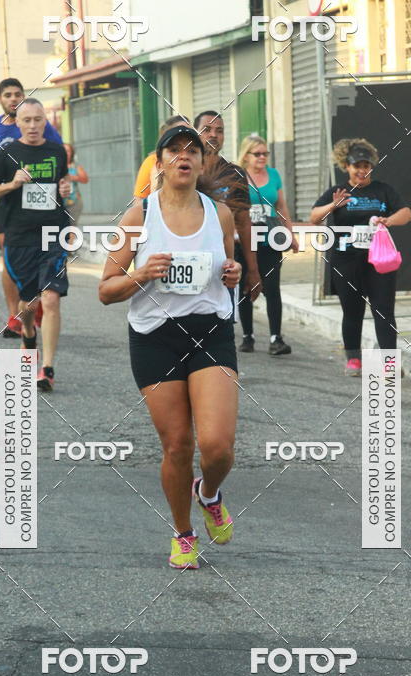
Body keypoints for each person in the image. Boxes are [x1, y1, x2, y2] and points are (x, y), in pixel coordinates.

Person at [99, 125, 241, 570]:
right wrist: (142, 274)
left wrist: (232, 273)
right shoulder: (138, 218)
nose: (184, 156)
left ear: (202, 162)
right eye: (173, 150)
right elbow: (105, 290)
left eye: (192, 151)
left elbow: (227, 265)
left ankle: (209, 493)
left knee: (216, 445)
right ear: (158, 163)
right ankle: (183, 533)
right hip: (154, 336)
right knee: (178, 445)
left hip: (209, 332)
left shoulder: (220, 214)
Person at [0, 98, 71, 391]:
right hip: (20, 236)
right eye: (26, 120)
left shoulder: (57, 151)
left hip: (53, 234)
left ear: (46, 121)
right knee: (29, 304)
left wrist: (65, 188)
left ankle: (47, 368)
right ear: (17, 123)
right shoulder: (7, 153)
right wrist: (12, 185)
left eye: (38, 119)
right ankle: (29, 333)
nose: (32, 125)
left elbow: (61, 184)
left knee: (51, 298)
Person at [310, 139, 411, 375]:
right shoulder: (338, 191)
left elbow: (405, 213)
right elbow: (314, 217)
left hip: (379, 260)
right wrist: (332, 206)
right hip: (346, 260)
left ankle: (389, 362)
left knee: (384, 310)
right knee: (352, 310)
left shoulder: (383, 190)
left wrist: (389, 220)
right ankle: (354, 359)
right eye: (357, 165)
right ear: (346, 166)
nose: (362, 170)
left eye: (366, 165)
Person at [0, 78, 62, 338]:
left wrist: (63, 186)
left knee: (40, 261)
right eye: (8, 94)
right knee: (11, 262)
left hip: (43, 210)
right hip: (9, 205)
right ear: (0, 99)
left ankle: (31, 306)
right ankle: (16, 315)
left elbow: (59, 155)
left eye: (18, 94)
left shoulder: (40, 125)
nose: (13, 98)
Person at [237, 134, 298, 355]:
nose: (262, 157)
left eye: (265, 153)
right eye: (258, 154)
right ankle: (248, 336)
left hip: (270, 238)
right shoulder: (238, 176)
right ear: (246, 156)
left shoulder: (273, 175)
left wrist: (290, 234)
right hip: (244, 239)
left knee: (272, 288)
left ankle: (276, 338)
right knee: (246, 286)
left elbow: (281, 206)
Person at [194, 111, 261, 307]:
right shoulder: (183, 168)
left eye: (219, 130)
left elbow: (244, 223)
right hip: (187, 257)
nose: (213, 135)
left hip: (223, 263)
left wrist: (253, 269)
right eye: (206, 130)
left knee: (222, 322)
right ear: (195, 133)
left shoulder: (234, 173)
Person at [133, 115, 191, 199]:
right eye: (179, 130)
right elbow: (139, 199)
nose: (185, 133)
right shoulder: (151, 161)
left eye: (189, 130)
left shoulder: (196, 159)